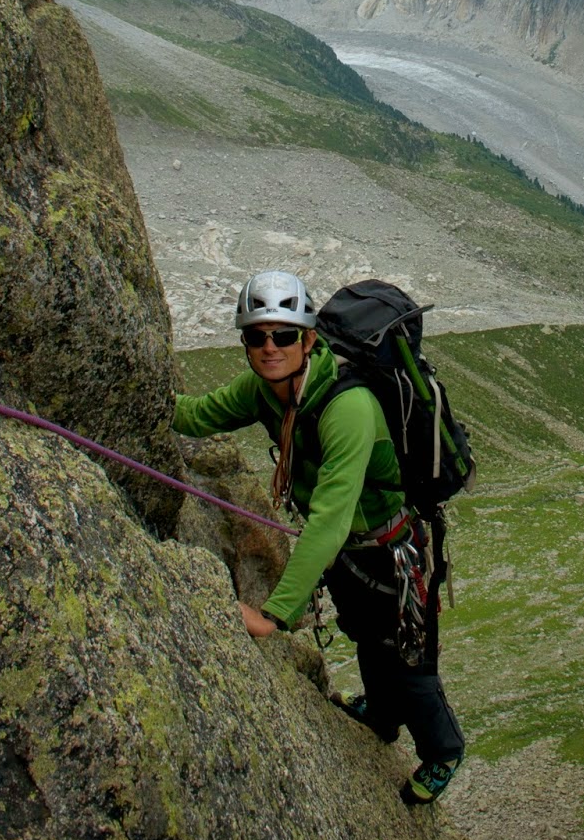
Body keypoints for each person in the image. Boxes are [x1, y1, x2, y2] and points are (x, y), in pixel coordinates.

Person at [173, 269, 465, 805]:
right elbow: (198, 415)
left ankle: (443, 751)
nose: (270, 346)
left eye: (284, 335)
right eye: (257, 336)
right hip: (351, 553)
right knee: (364, 634)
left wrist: (274, 613)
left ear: (309, 339)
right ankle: (381, 716)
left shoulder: (348, 409)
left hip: (390, 549)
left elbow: (329, 518)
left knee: (410, 658)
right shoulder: (263, 390)